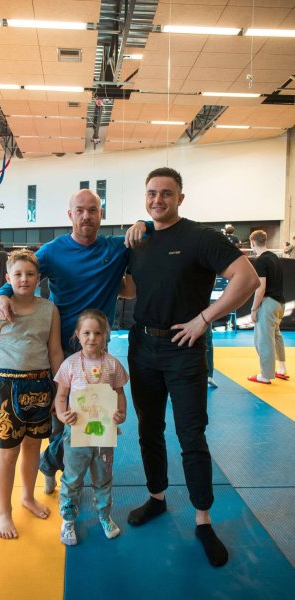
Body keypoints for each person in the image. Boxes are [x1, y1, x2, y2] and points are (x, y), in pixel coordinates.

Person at [120, 167, 260, 567]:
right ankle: (157, 497)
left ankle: (202, 519)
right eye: (152, 193)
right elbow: (132, 287)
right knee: (148, 428)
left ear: (180, 198)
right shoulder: (140, 239)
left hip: (184, 349)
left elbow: (247, 278)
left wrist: (205, 319)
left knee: (191, 434)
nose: (158, 199)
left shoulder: (201, 237)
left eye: (166, 193)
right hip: (143, 345)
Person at [0, 189, 148, 494]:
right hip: (60, 347)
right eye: (79, 210)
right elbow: (22, 272)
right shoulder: (53, 251)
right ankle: (55, 467)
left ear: (101, 214)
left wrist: (144, 223)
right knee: (61, 416)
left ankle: (65, 470)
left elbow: (159, 227)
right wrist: (2, 295)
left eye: (92, 210)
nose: (86, 216)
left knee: (93, 416)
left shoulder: (117, 248)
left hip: (97, 349)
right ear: (70, 215)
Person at [0, 250, 64, 539]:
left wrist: (59, 392)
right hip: (6, 387)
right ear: (8, 278)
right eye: (18, 274)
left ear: (39, 278)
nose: (24, 279)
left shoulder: (49, 310)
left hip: (41, 386)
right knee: (8, 453)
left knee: (32, 447)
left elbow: (55, 352)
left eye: (30, 274)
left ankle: (28, 496)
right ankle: (4, 510)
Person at [53, 309, 128, 545]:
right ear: (77, 334)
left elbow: (119, 393)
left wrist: (121, 413)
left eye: (98, 333)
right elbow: (61, 395)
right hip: (76, 434)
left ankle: (104, 515)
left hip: (104, 437)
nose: (92, 338)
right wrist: (63, 415)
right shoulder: (70, 364)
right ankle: (68, 519)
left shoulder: (113, 365)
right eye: (86, 333)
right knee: (72, 478)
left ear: (106, 335)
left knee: (103, 477)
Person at [247, 230, 289, 384]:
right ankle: (282, 369)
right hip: (280, 304)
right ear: (265, 241)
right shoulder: (274, 257)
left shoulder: (261, 261)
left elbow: (260, 288)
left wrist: (253, 309)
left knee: (264, 340)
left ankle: (265, 375)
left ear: (252, 243)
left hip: (269, 304)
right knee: (276, 336)